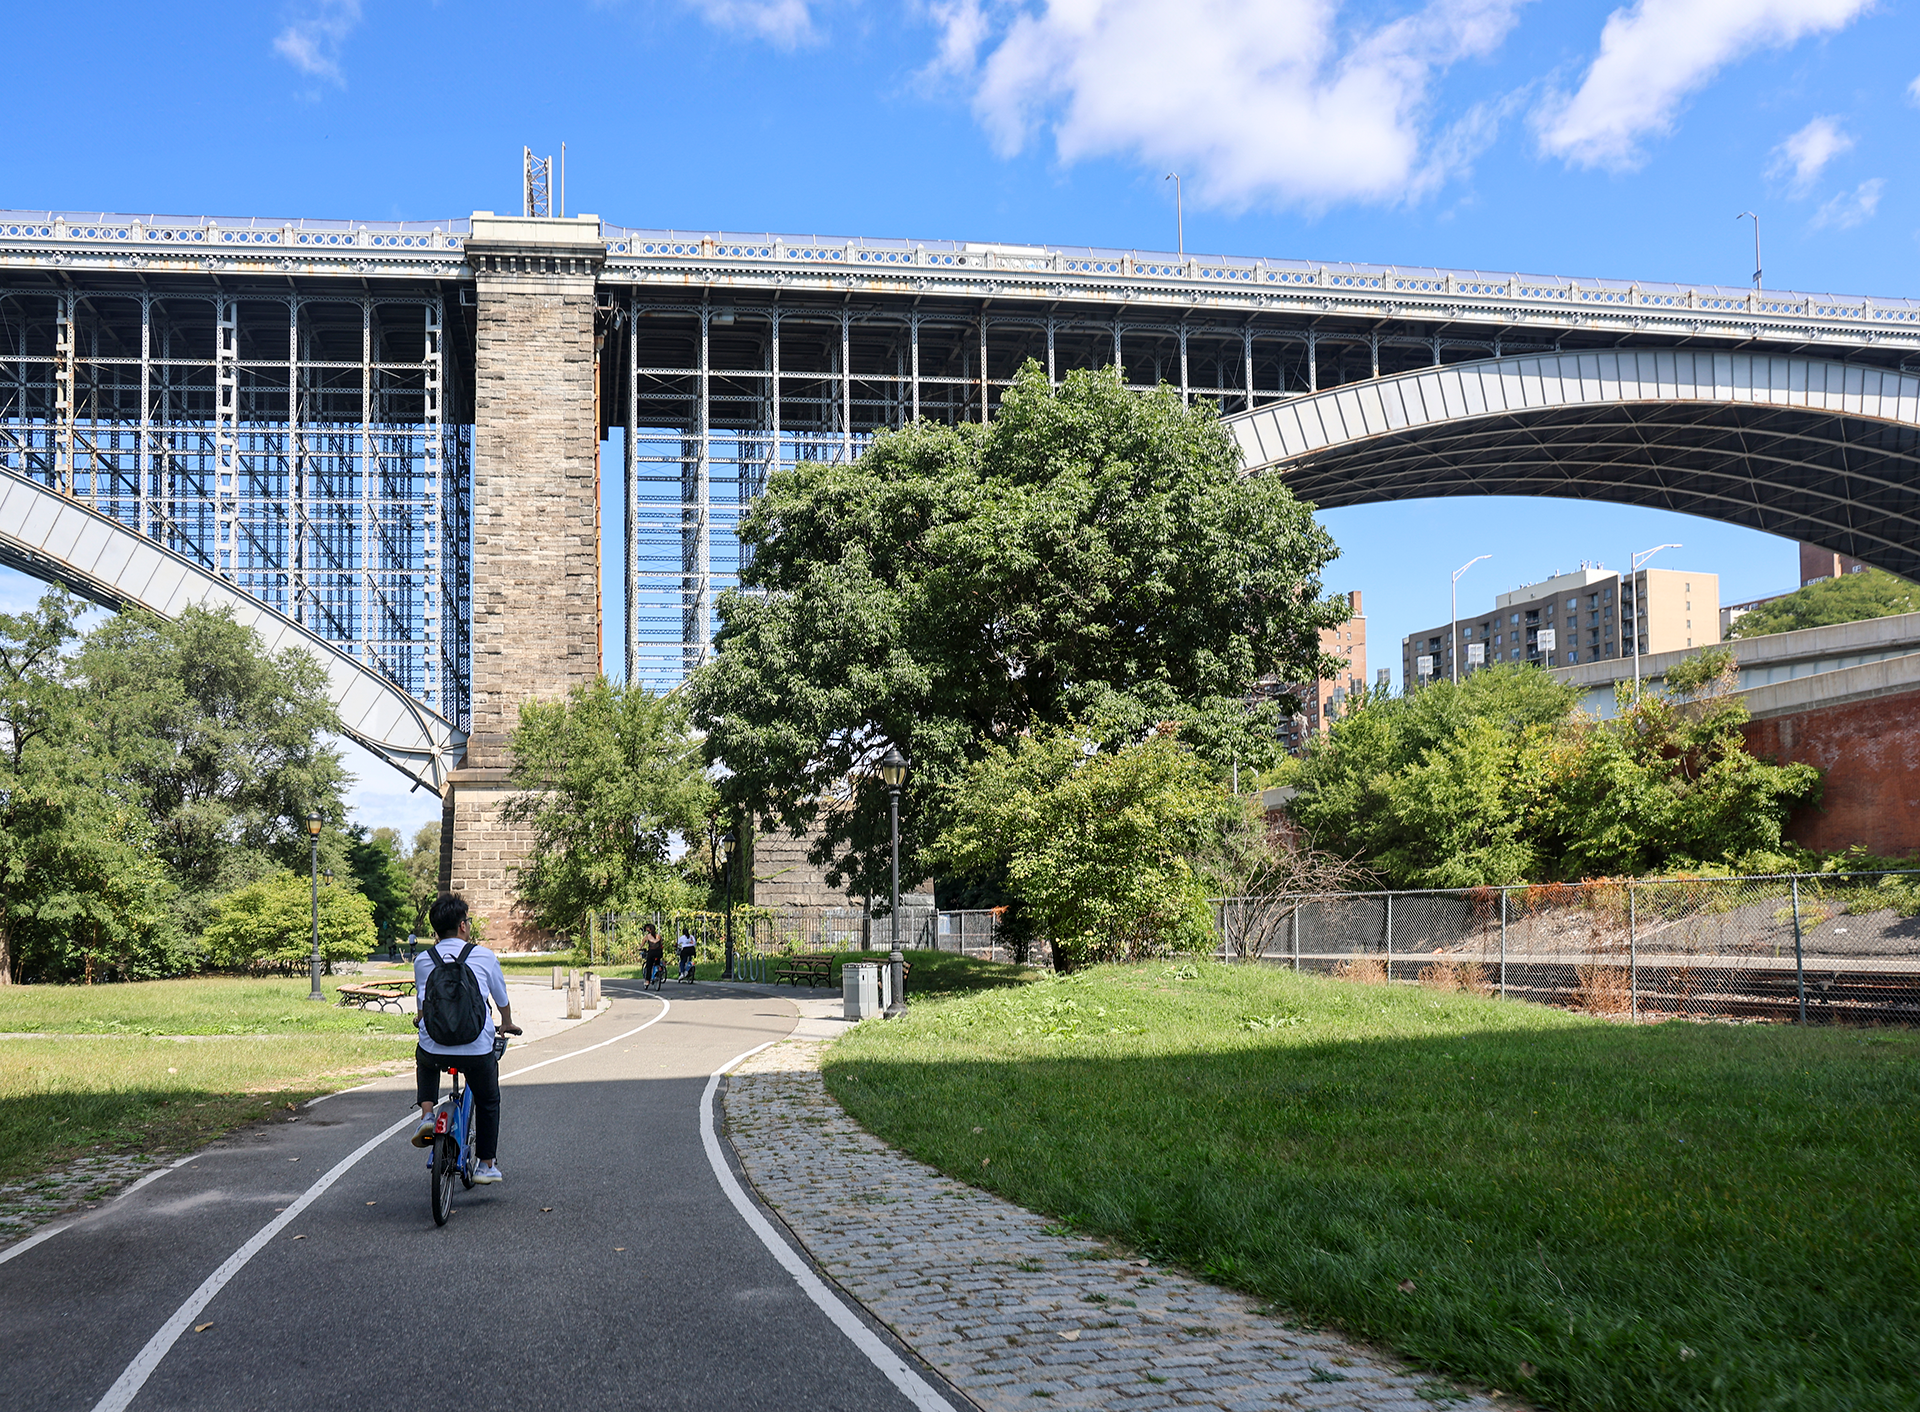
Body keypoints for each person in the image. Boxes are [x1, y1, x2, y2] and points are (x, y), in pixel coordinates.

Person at [410, 893, 520, 1184]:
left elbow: (424, 1004)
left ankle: (427, 1115)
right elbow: (500, 998)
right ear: (462, 926)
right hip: (476, 1048)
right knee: (488, 1100)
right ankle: (486, 1164)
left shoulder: (423, 960)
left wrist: (421, 1020)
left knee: (425, 1057)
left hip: (436, 1045)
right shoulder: (483, 956)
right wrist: (506, 1023)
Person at [642, 923, 665, 990]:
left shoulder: (647, 936)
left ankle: (647, 980)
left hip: (652, 952)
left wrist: (640, 947)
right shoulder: (658, 936)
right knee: (657, 962)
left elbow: (643, 943)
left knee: (649, 966)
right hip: (659, 952)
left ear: (649, 929)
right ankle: (660, 972)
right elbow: (661, 943)